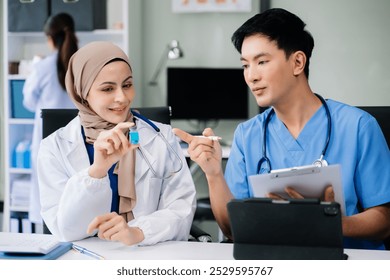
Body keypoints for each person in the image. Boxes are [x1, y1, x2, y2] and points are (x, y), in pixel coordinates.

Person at [173, 8, 390, 250]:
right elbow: (232, 230)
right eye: (245, 65)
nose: (251, 76)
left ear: (298, 62)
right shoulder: (248, 135)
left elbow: (384, 219)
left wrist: (332, 223)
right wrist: (213, 174)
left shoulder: (358, 127)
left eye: (262, 62)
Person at [36, 41, 196, 246]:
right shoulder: (54, 147)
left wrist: (138, 232)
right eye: (108, 89)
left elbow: (181, 207)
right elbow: (64, 229)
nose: (122, 98)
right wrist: (97, 171)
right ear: (83, 93)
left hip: (147, 253)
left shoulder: (160, 136)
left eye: (127, 85)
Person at [23, 13, 78, 226]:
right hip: (78, 136)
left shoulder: (42, 66)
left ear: (50, 38)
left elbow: (28, 102)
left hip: (47, 137)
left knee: (46, 189)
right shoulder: (82, 62)